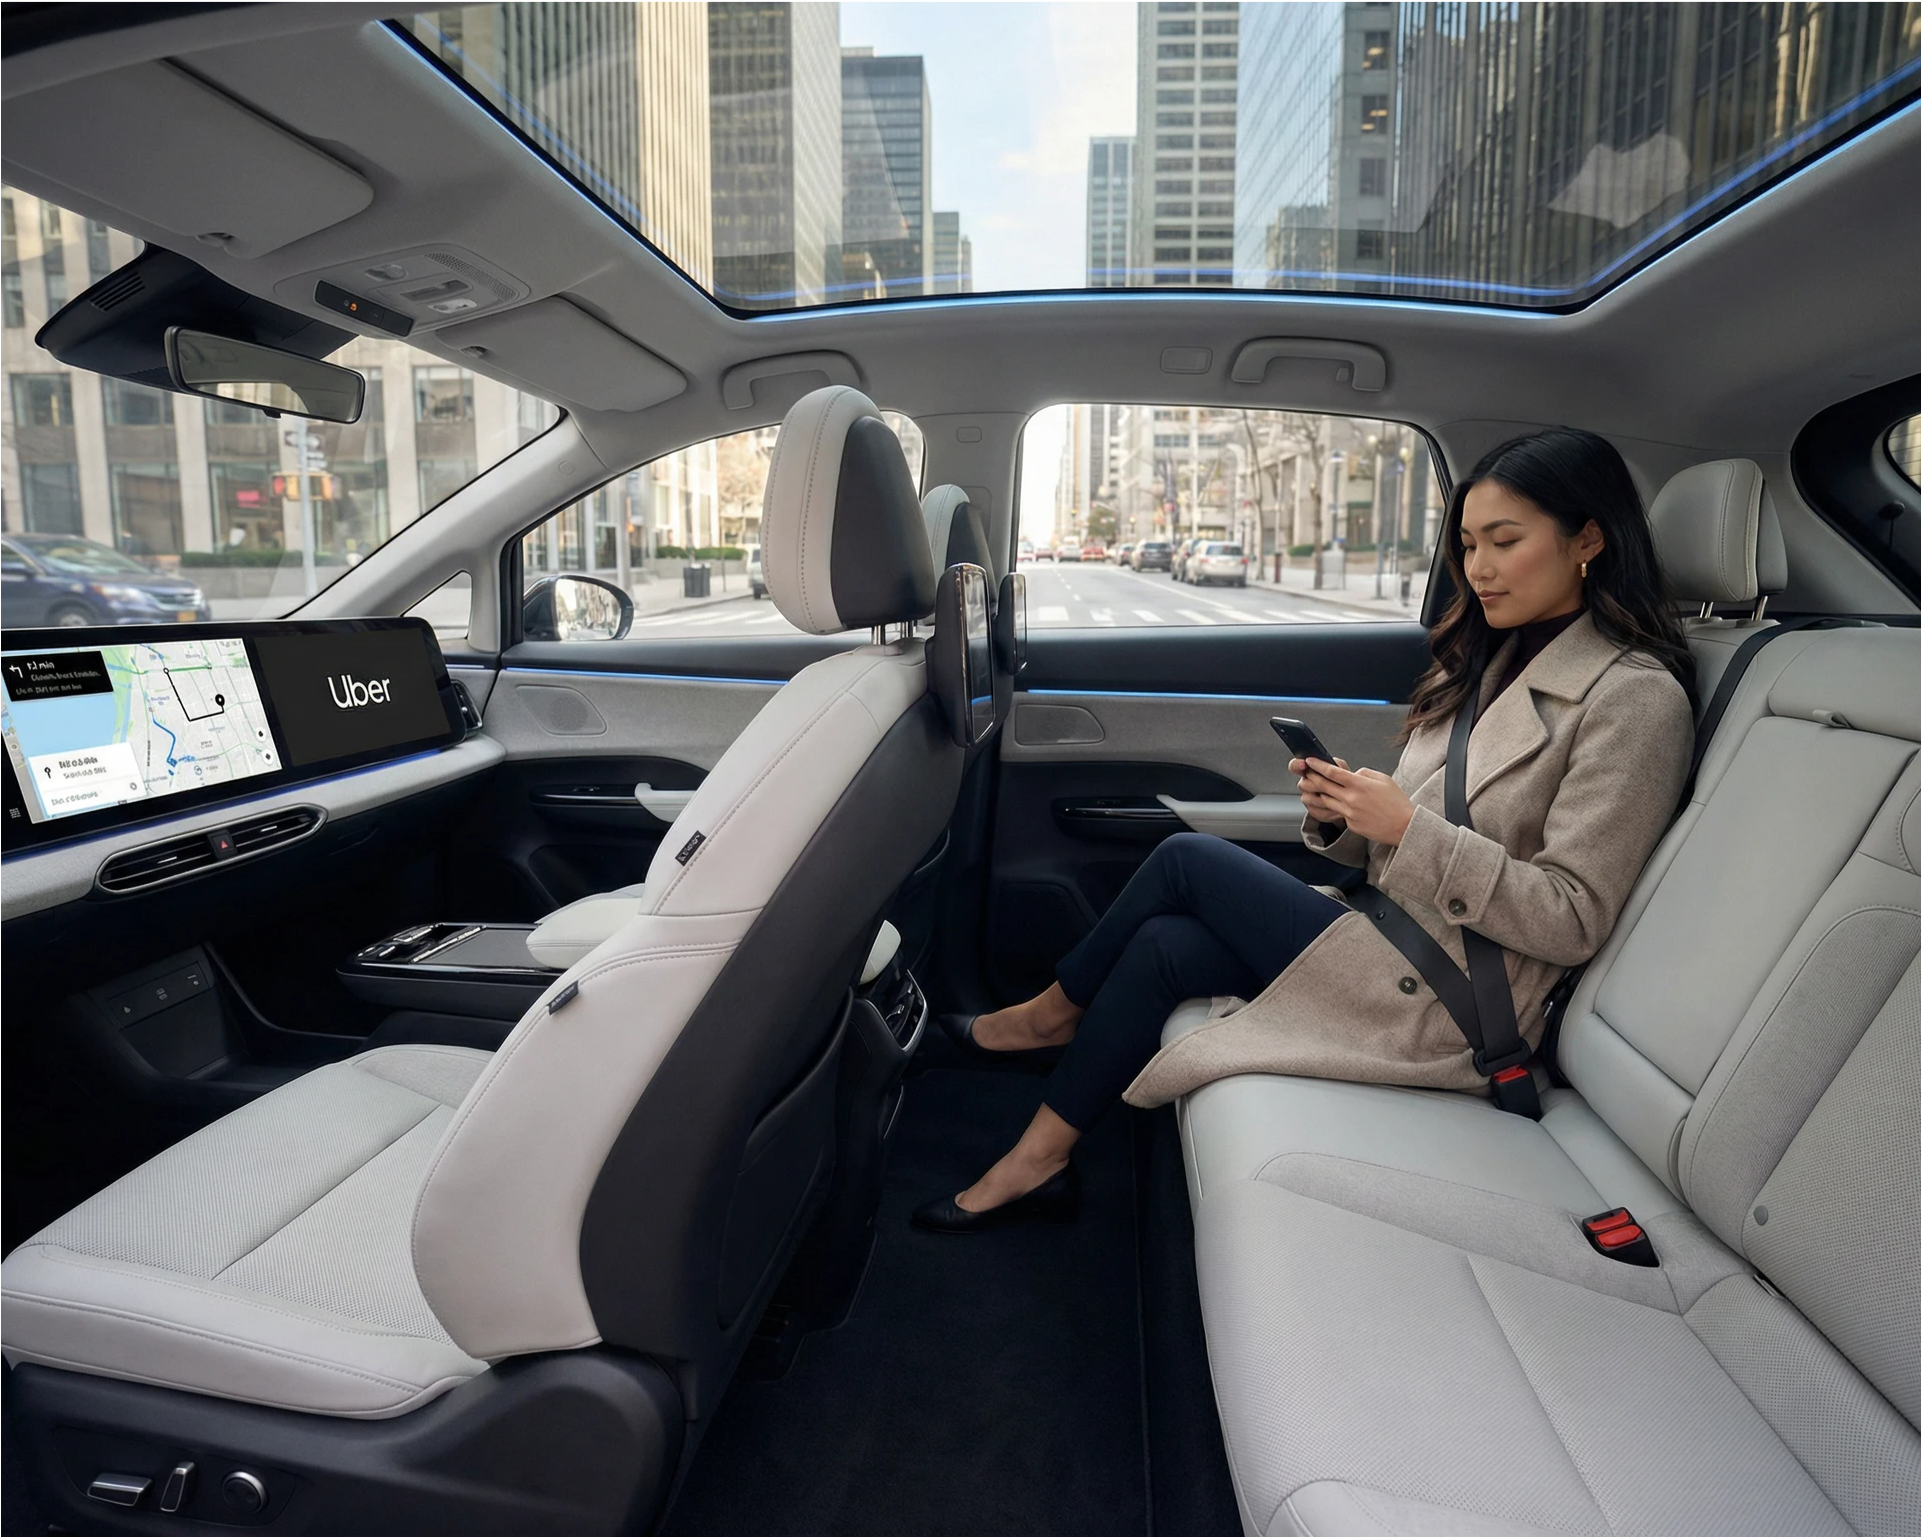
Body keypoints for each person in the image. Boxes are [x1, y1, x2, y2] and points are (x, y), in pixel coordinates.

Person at [912, 427, 1696, 1233]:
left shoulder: (1633, 699)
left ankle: (1045, 1016)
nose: (1480, 568)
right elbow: (1423, 834)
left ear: (1589, 538)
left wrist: (1407, 829)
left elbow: (1573, 915)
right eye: (1467, 543)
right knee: (1163, 949)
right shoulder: (1492, 661)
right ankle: (1037, 1159)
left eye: (1506, 541)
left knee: (1186, 859)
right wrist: (1345, 818)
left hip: (1455, 999)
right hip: (1393, 936)